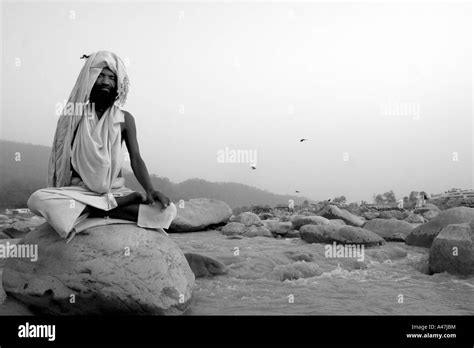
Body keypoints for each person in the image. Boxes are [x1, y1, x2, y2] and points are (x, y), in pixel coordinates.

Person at [28, 51, 176, 240]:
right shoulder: (74, 116)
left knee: (167, 210)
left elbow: (136, 159)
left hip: (113, 190)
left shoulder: (125, 119)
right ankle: (110, 207)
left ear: (117, 84)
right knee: (37, 199)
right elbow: (63, 155)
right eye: (101, 76)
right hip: (80, 191)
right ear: (90, 79)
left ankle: (94, 211)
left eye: (111, 78)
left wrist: (151, 190)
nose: (106, 82)